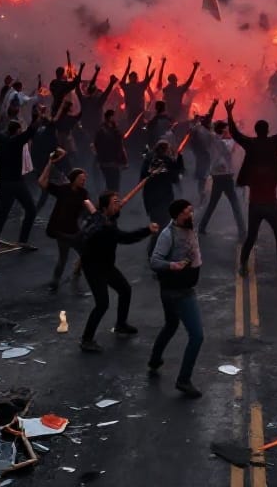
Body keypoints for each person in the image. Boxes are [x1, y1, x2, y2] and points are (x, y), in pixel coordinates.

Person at [226, 96, 277, 280]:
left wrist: (229, 113)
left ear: (256, 131)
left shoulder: (250, 144)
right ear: (267, 131)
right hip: (271, 203)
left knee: (251, 237)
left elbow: (235, 134)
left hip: (255, 204)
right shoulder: (273, 142)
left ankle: (243, 266)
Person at [76, 190, 157, 352]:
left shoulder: (103, 217)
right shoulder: (103, 226)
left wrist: (116, 207)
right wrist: (147, 230)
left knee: (125, 290)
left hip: (106, 265)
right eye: (114, 202)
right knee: (102, 304)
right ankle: (86, 339)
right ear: (105, 207)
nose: (118, 203)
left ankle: (121, 324)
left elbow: (108, 215)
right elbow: (125, 238)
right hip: (93, 267)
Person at [148, 199, 205, 398]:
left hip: (183, 288)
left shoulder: (188, 227)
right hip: (177, 291)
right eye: (187, 212)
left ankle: (154, 360)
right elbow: (154, 261)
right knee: (197, 336)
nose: (191, 215)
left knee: (171, 325)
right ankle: (183, 380)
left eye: (191, 211)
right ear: (178, 215)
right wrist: (173, 265)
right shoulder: (167, 234)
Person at [39, 147, 96, 292]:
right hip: (61, 230)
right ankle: (55, 282)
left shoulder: (83, 192)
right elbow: (42, 182)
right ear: (74, 179)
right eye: (81, 179)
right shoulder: (62, 189)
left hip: (74, 230)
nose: (84, 181)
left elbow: (87, 207)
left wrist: (94, 217)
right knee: (63, 258)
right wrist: (49, 163)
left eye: (85, 179)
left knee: (86, 252)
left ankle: (76, 271)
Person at [0, 116, 41, 256]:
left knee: (2, 215)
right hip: (16, 182)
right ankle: (22, 240)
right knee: (31, 210)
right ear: (17, 131)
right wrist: (38, 117)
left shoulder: (1, 140)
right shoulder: (16, 141)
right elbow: (31, 131)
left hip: (4, 182)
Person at [197, 120, 245, 240]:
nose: (228, 130)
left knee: (213, 203)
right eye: (226, 128)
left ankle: (202, 227)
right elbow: (231, 147)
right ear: (223, 130)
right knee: (235, 204)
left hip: (217, 176)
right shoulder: (224, 143)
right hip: (226, 176)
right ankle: (242, 231)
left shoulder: (212, 141)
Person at [140, 138, 184, 251]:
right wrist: (179, 159)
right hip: (164, 198)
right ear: (166, 150)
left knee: (156, 224)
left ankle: (155, 250)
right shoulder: (167, 161)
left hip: (150, 198)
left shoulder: (148, 159)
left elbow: (142, 178)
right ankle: (154, 250)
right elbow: (175, 178)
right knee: (163, 225)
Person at [157, 58, 200, 124]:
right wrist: (194, 69)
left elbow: (159, 81)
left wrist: (163, 64)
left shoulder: (166, 90)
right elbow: (188, 83)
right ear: (174, 81)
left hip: (168, 116)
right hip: (176, 116)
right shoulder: (177, 90)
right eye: (175, 80)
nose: (176, 82)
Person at [94, 108, 127, 192]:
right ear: (110, 117)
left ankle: (112, 201)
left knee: (114, 185)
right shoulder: (103, 131)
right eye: (115, 116)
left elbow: (120, 146)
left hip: (113, 161)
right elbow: (98, 146)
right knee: (111, 184)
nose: (117, 118)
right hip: (108, 161)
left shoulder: (114, 130)